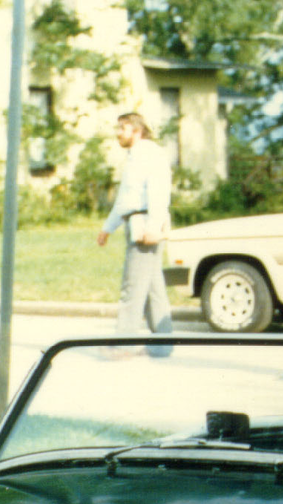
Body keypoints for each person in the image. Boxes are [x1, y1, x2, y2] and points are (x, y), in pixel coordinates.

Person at [96, 112, 175, 358]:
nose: (118, 133)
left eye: (123, 128)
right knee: (153, 289)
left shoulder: (149, 154)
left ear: (137, 131)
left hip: (145, 224)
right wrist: (108, 228)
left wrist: (154, 225)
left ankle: (124, 344)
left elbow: (158, 190)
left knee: (132, 287)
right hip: (137, 221)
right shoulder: (135, 157)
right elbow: (125, 199)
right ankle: (163, 345)